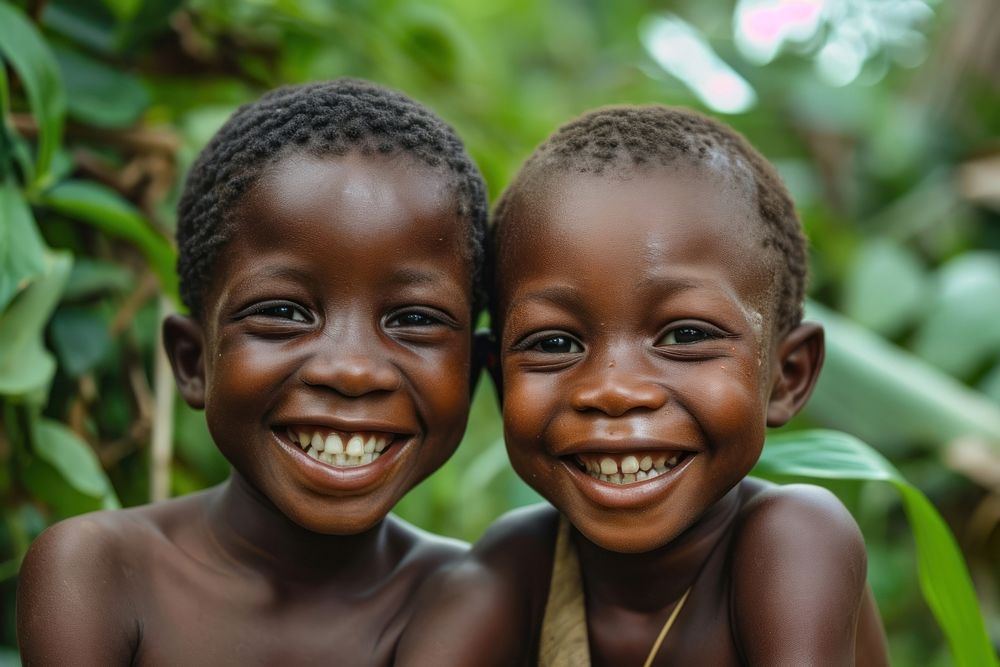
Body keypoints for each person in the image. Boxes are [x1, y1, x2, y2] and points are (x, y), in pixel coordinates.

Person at [17, 78, 488, 665]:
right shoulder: (100, 572)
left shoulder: (473, 596)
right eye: (284, 313)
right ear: (193, 363)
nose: (352, 370)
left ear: (470, 374)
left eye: (413, 318)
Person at [398, 105, 889, 666]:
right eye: (555, 344)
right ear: (497, 379)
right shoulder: (516, 566)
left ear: (787, 376)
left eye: (684, 335)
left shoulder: (796, 538)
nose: (614, 391)